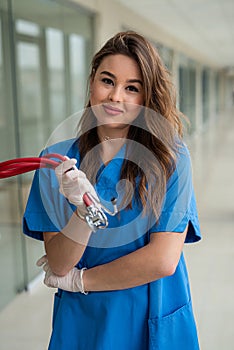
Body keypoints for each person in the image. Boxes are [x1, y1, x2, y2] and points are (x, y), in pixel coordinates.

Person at [23, 31, 201, 350]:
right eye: (107, 81)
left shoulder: (170, 158)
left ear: (147, 97)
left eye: (132, 88)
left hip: (151, 313)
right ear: (92, 81)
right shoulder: (57, 163)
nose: (115, 97)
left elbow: (163, 259)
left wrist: (81, 281)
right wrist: (84, 212)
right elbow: (60, 264)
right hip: (84, 320)